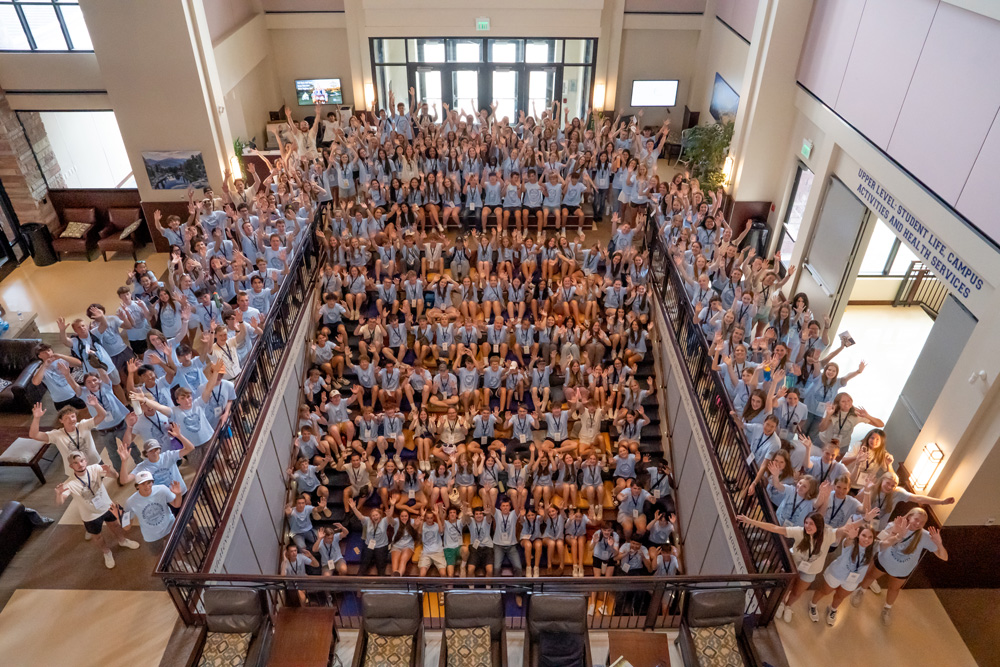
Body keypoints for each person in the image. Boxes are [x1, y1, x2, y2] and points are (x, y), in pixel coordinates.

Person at [738, 511, 867, 622]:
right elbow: (776, 529)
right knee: (786, 587)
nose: (807, 526)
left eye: (811, 524)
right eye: (806, 522)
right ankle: (782, 603)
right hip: (793, 566)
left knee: (797, 591)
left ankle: (788, 606)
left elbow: (847, 528)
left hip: (811, 571)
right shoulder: (799, 531)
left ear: (819, 525)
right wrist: (750, 521)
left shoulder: (827, 535)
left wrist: (865, 520)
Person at [852, 508, 948, 626]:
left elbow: (944, 557)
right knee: (870, 576)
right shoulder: (894, 525)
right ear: (909, 517)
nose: (918, 524)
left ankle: (887, 608)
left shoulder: (925, 536)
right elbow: (880, 544)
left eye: (922, 522)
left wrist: (939, 544)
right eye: (916, 519)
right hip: (883, 561)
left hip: (902, 570)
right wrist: (894, 532)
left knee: (894, 589)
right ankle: (861, 591)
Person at [55, 452, 140, 569]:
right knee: (97, 536)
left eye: (81, 460)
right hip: (90, 515)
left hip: (107, 506)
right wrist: (59, 494)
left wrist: (109, 471)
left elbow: (116, 476)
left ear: (86, 461)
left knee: (115, 525)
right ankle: (106, 552)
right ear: (71, 466)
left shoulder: (95, 468)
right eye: (75, 463)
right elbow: (60, 502)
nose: (80, 464)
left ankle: (122, 540)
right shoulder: (70, 483)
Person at [120, 470, 183, 551]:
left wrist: (178, 494)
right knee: (159, 555)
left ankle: (179, 563)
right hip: (152, 536)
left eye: (149, 482)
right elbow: (127, 527)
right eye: (143, 484)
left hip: (170, 527)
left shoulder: (162, 489)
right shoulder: (130, 502)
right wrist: (119, 517)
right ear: (137, 486)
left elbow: (177, 505)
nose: (147, 486)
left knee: (177, 548)